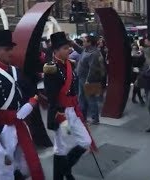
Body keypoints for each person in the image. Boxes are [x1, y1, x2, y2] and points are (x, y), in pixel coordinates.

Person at [0, 30, 44, 180]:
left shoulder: (16, 71)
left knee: (27, 166)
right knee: (6, 171)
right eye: (7, 49)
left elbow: (31, 92)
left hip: (21, 124)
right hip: (4, 129)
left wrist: (31, 103)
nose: (11, 52)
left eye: (11, 48)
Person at [43, 32, 97, 180]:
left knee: (85, 141)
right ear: (56, 50)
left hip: (73, 109)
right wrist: (60, 115)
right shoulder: (51, 68)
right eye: (66, 48)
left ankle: (65, 170)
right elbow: (52, 96)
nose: (69, 50)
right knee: (60, 148)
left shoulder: (69, 64)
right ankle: (60, 176)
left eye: (68, 47)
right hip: (60, 112)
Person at [72, 35, 105, 125]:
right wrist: (71, 43)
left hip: (89, 80)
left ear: (90, 43)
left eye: (84, 41)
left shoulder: (94, 53)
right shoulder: (86, 50)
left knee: (91, 99)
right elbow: (79, 49)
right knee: (82, 98)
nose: (83, 42)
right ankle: (83, 117)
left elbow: (93, 69)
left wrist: (88, 80)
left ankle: (95, 119)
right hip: (82, 78)